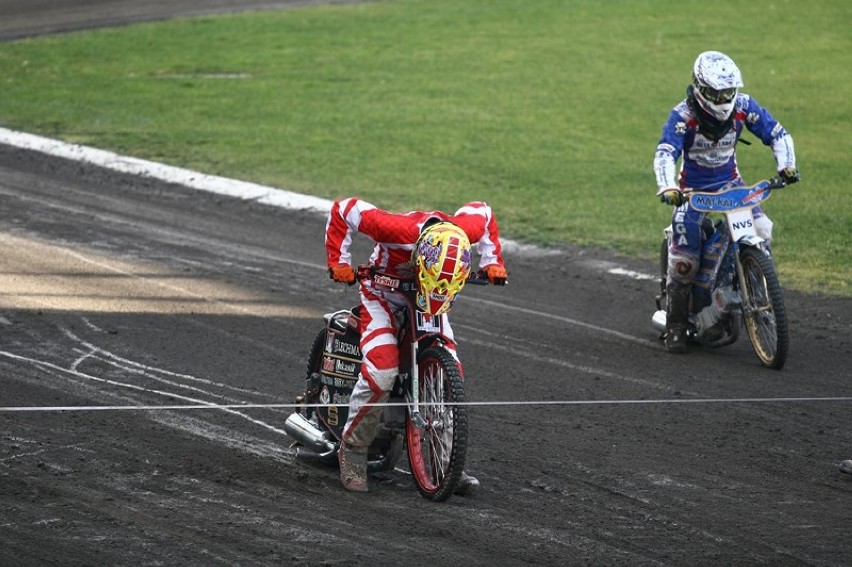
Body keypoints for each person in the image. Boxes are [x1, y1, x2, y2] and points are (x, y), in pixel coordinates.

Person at [325, 197, 509, 493]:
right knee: (382, 372)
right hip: (382, 295)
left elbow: (484, 211)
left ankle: (445, 464)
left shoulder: (466, 229)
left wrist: (492, 262)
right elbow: (343, 208)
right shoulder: (393, 229)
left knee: (451, 376)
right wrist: (339, 261)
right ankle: (353, 449)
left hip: (429, 302)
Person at [653, 50, 800, 353]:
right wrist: (668, 187)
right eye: (717, 94)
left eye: (728, 93)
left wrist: (786, 165)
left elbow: (778, 133)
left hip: (731, 185)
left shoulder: (744, 107)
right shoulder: (683, 116)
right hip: (692, 193)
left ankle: (757, 291)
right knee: (683, 264)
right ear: (701, 89)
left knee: (762, 229)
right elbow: (666, 151)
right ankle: (676, 327)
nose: (723, 101)